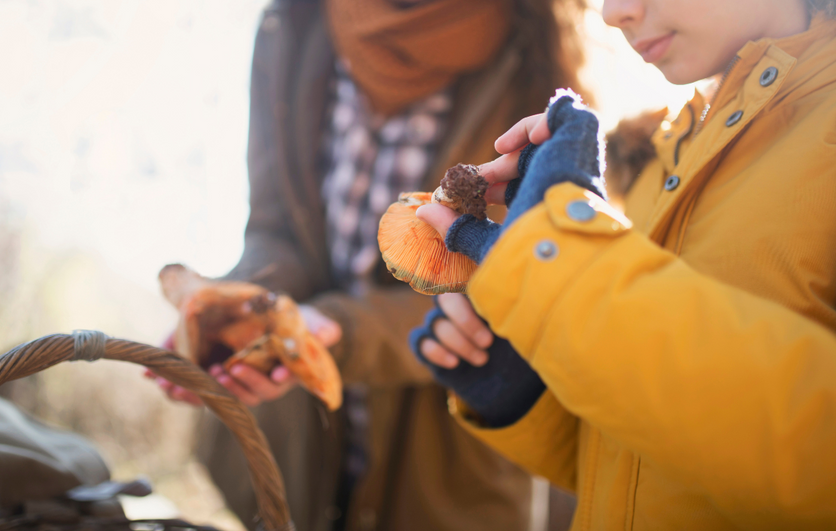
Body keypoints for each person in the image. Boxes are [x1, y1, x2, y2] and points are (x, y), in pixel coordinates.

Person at [149, 0, 589, 530]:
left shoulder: (532, 58)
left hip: (445, 467)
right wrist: (248, 308)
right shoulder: (292, 25)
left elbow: (513, 282)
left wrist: (339, 333)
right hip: (297, 445)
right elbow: (277, 228)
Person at [412, 0, 836, 528]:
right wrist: (534, 389)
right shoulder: (659, 158)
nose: (614, 12)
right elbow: (660, 473)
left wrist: (568, 270)